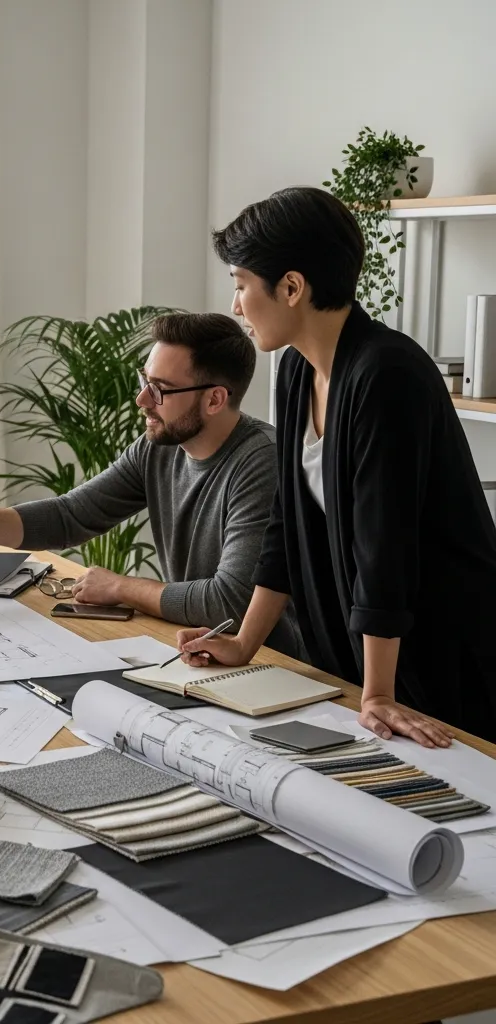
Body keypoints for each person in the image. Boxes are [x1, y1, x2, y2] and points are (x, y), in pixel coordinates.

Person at [177, 185, 496, 748]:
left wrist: (377, 694)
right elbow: (286, 523)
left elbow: (385, 544)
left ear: (292, 287)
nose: (235, 306)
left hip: (444, 656)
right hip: (373, 662)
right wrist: (245, 642)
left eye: (241, 284)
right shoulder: (299, 372)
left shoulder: (386, 374)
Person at [0, 312, 304, 658]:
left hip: (274, 667)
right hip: (199, 651)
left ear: (214, 399)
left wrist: (121, 587)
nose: (142, 400)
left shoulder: (261, 461)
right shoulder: (157, 448)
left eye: (160, 390)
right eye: (146, 381)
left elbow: (229, 602)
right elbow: (71, 516)